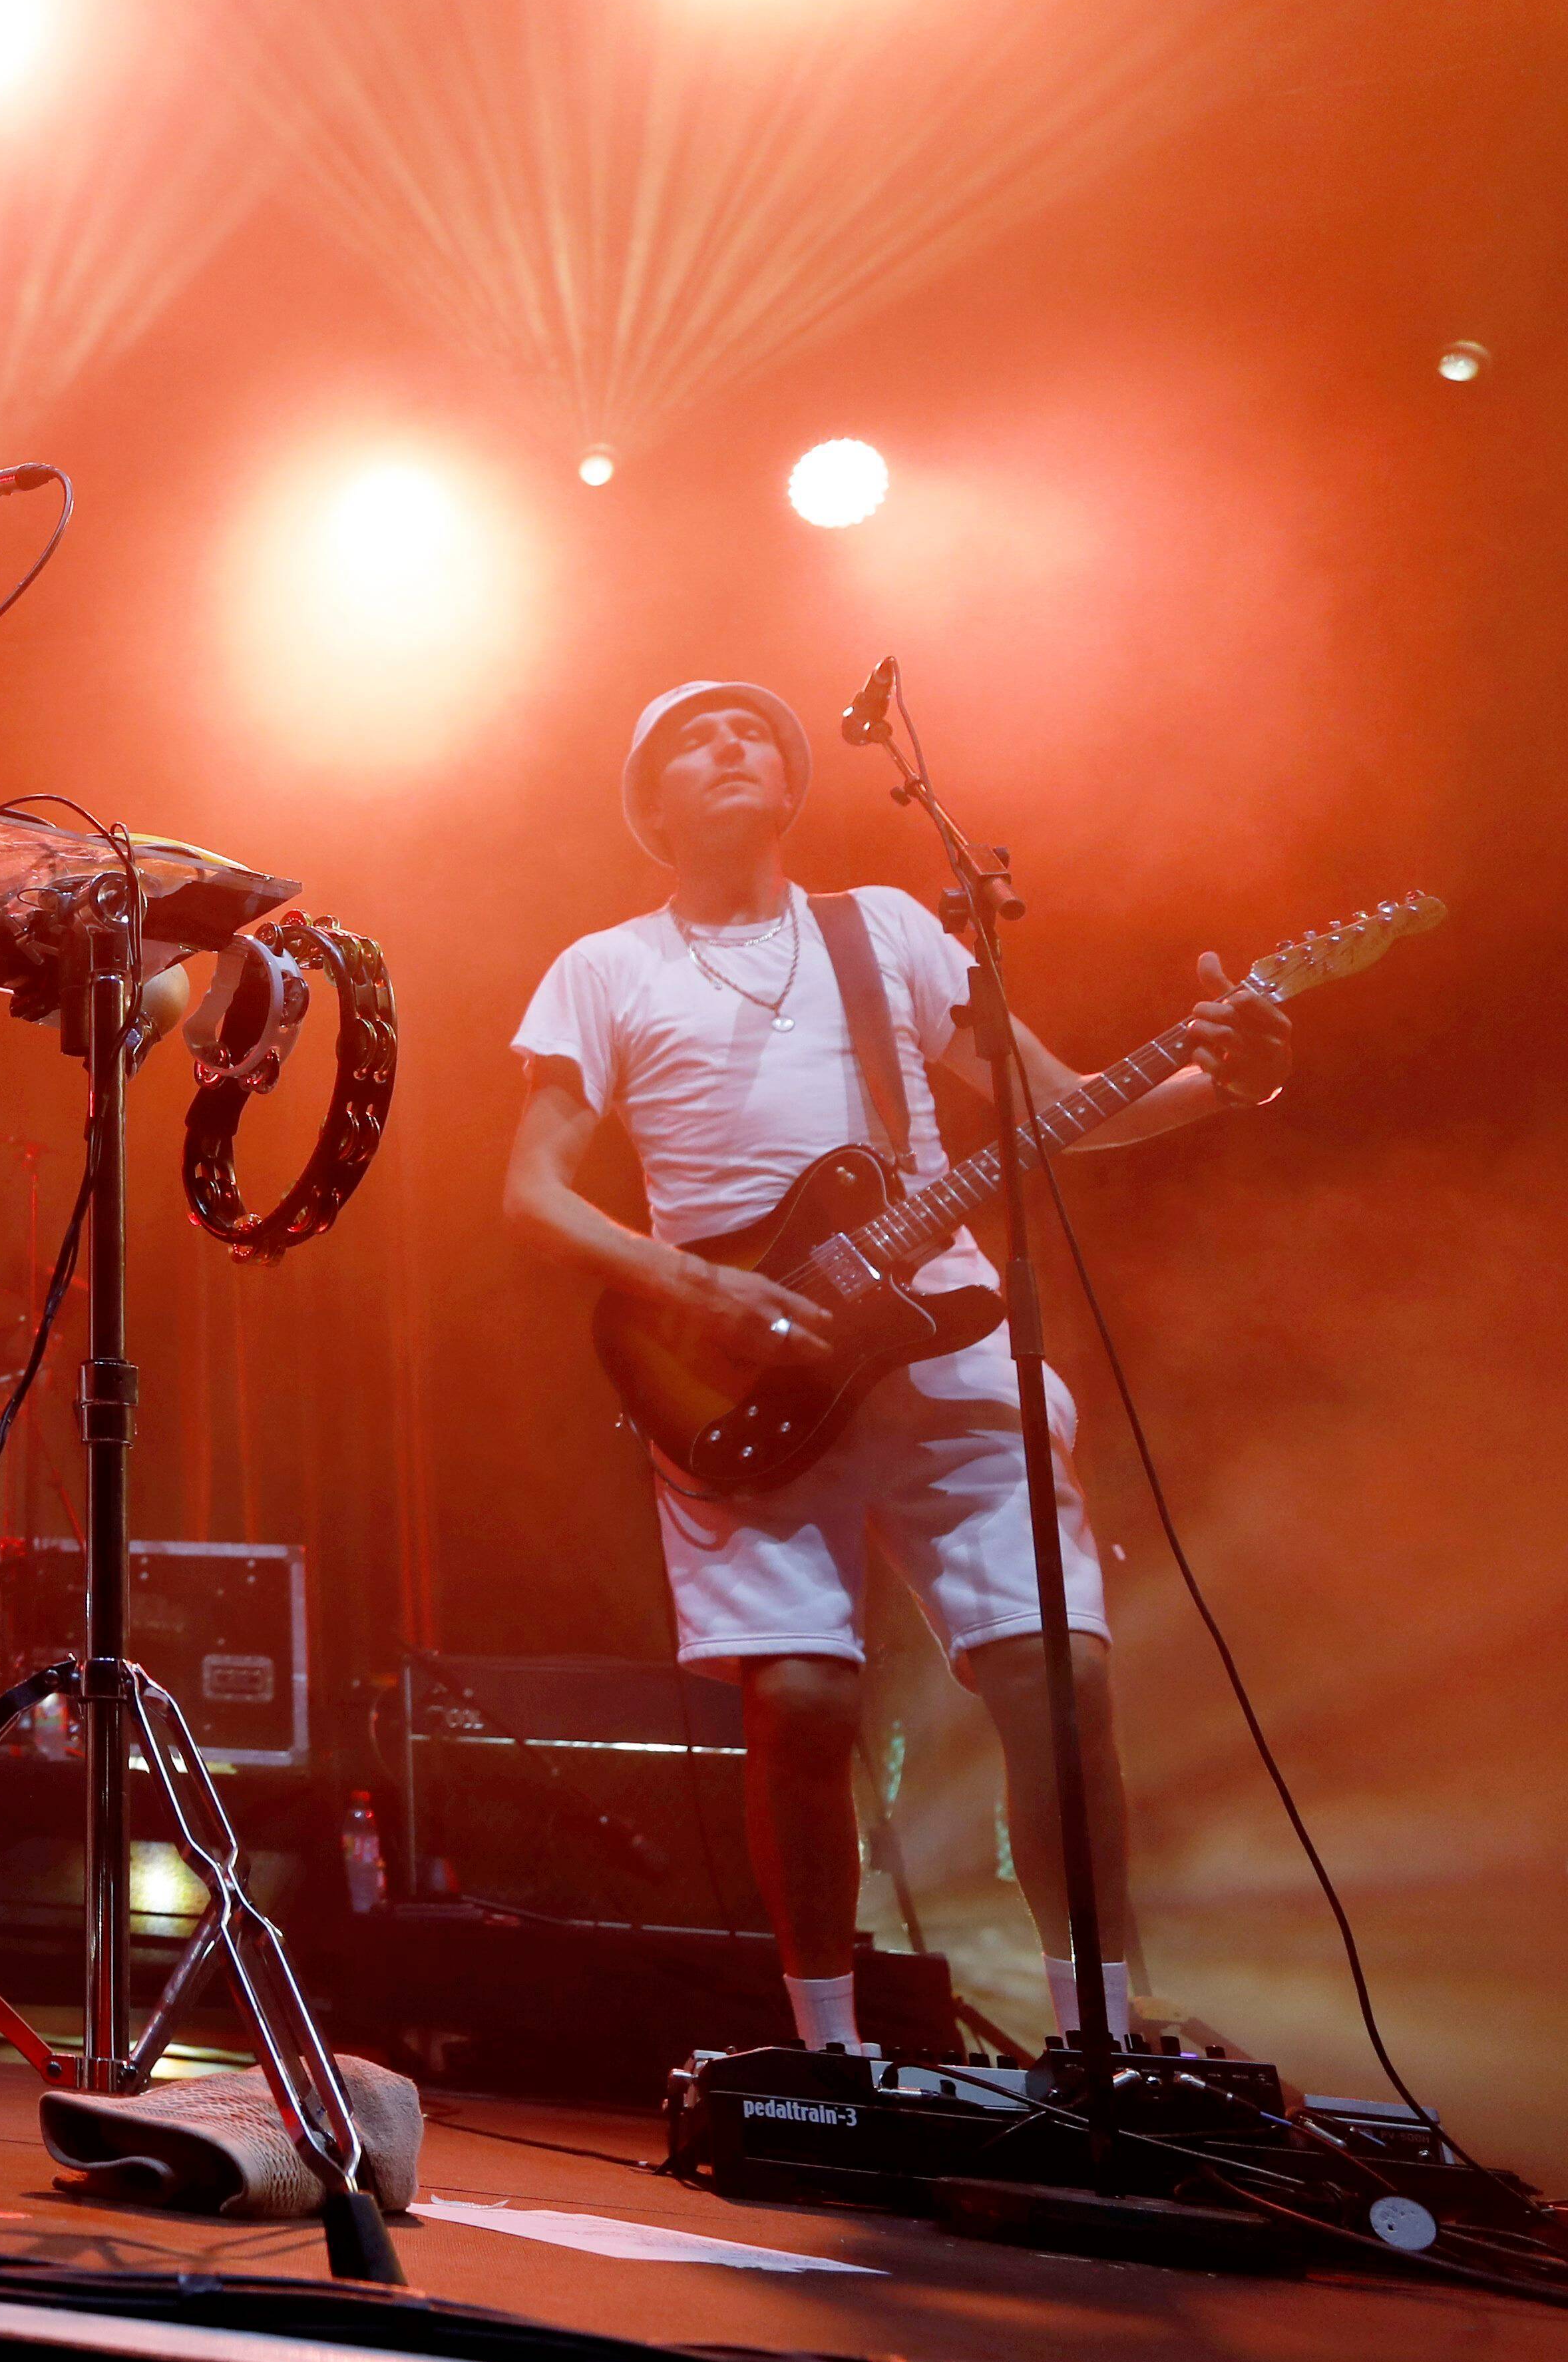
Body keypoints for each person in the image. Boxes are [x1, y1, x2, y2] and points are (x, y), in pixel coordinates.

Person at [502, 681, 1292, 2051]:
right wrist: (697, 1280)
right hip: (736, 1362)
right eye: (697, 736)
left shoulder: (892, 929)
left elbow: (1054, 1105)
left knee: (1061, 1672)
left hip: (948, 1332)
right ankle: (830, 2048)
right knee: (804, 1697)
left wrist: (1233, 1083)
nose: (733, 743)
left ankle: (1100, 2031)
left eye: (756, 728)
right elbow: (534, 1194)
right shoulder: (605, 965)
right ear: (650, 804)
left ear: (799, 776)